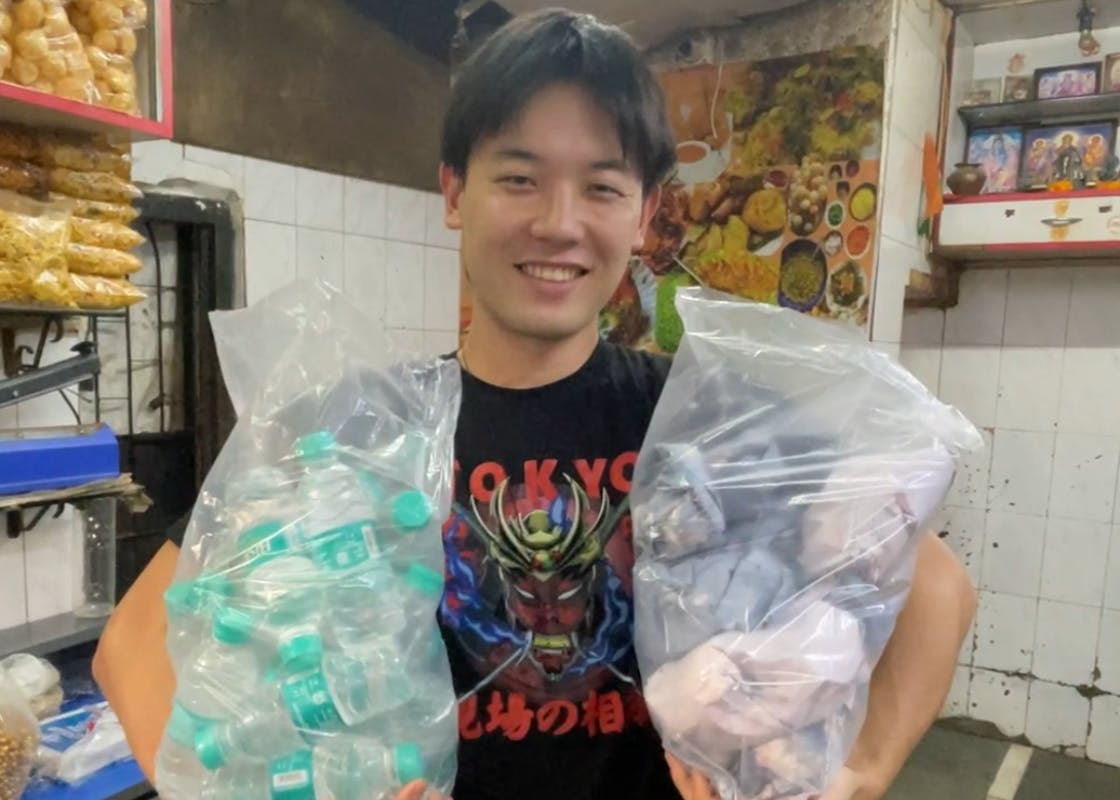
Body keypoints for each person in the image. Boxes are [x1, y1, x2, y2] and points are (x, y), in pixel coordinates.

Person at [93, 9, 977, 800]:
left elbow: (934, 588)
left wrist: (863, 769)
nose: (559, 222)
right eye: (519, 178)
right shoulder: (362, 430)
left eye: (602, 186)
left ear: (644, 213)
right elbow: (132, 643)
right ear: (453, 192)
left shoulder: (703, 421)